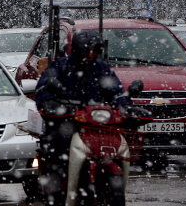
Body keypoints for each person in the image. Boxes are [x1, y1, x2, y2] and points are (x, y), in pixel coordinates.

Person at [34, 29, 131, 206]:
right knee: (58, 153)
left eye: (95, 50)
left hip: (96, 127)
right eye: (87, 50)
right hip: (66, 125)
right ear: (78, 50)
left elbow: (117, 92)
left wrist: (124, 106)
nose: (91, 54)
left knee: (117, 144)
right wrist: (55, 107)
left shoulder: (102, 68)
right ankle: (57, 193)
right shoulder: (60, 67)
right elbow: (43, 93)